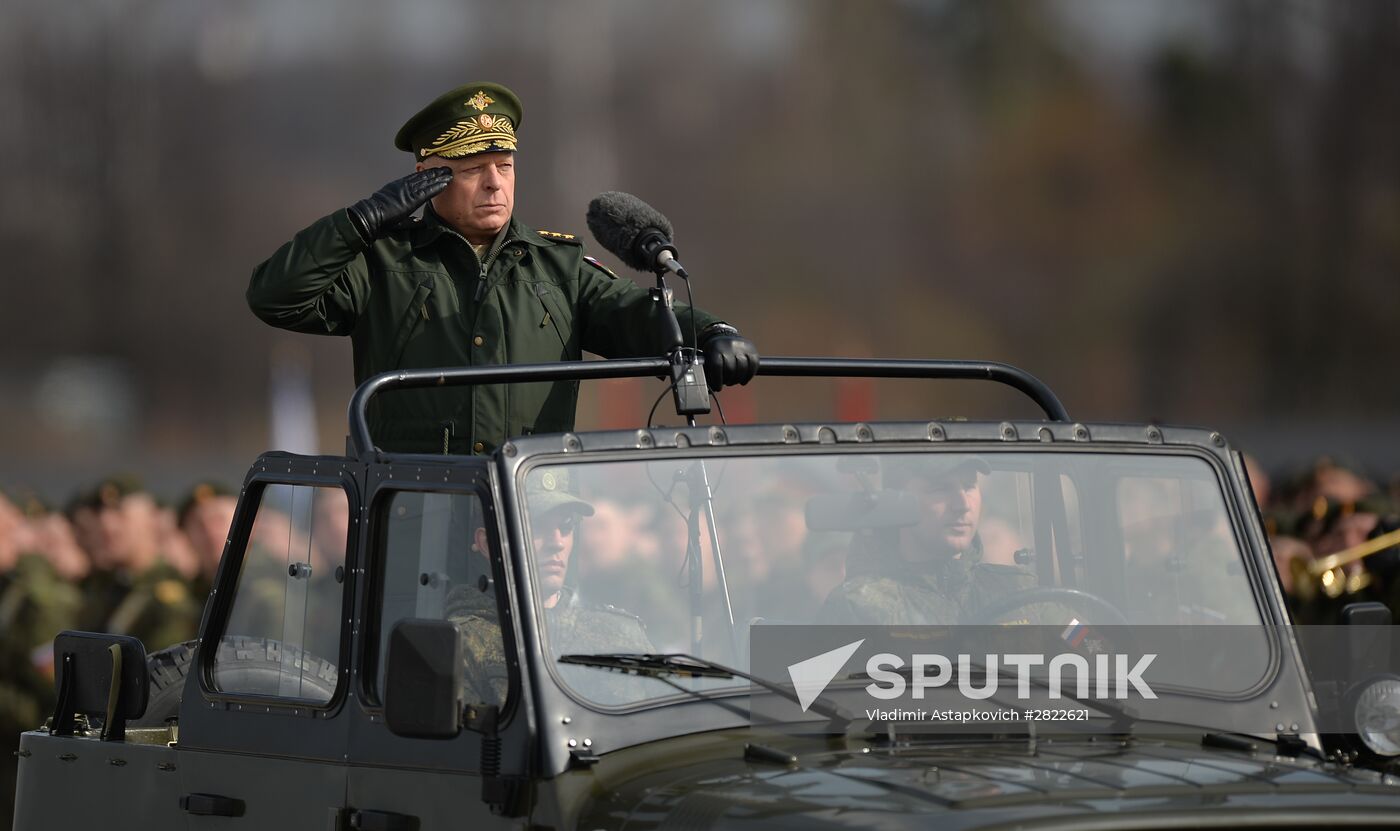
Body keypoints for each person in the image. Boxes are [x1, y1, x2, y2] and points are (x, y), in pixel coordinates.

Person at [247, 82, 758, 456]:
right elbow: (275, 295)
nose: (495, 184)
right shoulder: (383, 263)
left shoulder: (557, 265)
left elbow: (636, 313)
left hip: (533, 522)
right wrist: (360, 222)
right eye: (473, 169)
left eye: (506, 166)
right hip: (417, 516)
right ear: (427, 178)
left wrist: (712, 331)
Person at [445, 468, 651, 707]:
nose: (557, 543)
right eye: (537, 526)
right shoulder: (463, 644)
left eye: (566, 526)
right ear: (487, 544)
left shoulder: (621, 634)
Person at [821, 457, 1047, 625]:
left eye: (969, 486)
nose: (963, 504)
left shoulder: (1020, 592)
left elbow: (1080, 642)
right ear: (897, 502)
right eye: (940, 489)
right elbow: (810, 685)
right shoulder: (857, 607)